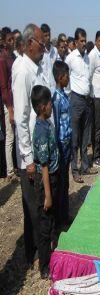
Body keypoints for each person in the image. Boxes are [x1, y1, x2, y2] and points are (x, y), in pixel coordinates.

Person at [12, 23, 46, 268]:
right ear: (30, 43)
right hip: (29, 154)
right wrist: (28, 157)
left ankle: (33, 247)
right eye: (41, 43)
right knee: (33, 205)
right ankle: (34, 251)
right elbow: (21, 118)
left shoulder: (35, 67)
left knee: (33, 202)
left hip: (38, 145)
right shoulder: (22, 70)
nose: (44, 47)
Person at [30, 85, 59, 279]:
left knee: (52, 220)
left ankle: (54, 254)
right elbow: (44, 165)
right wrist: (47, 194)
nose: (51, 107)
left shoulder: (47, 123)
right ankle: (44, 265)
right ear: (42, 107)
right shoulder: (40, 130)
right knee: (45, 225)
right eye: (49, 104)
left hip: (54, 178)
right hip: (45, 182)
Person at [66, 27, 97, 183]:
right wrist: (68, 96)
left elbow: (89, 79)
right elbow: (65, 78)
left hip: (87, 100)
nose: (84, 43)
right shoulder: (71, 58)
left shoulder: (87, 58)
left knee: (86, 135)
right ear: (76, 41)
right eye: (81, 41)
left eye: (85, 40)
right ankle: (75, 169)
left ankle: (85, 166)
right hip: (76, 100)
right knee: (75, 137)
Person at [52, 61, 72, 227]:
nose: (69, 78)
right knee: (61, 181)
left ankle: (64, 215)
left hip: (67, 142)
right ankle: (61, 219)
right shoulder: (56, 99)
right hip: (61, 144)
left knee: (65, 181)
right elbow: (57, 125)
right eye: (67, 76)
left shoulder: (64, 94)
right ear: (60, 77)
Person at [0, 27, 16, 181]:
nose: (12, 42)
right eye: (9, 40)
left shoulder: (13, 57)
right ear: (4, 42)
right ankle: (10, 170)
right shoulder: (3, 59)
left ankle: (15, 166)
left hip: (16, 100)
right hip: (9, 103)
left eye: (13, 39)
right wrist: (10, 109)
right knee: (10, 138)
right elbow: (4, 87)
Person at [88, 31, 100, 166]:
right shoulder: (92, 56)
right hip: (96, 96)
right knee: (97, 127)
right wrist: (90, 96)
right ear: (95, 41)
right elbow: (88, 76)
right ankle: (95, 157)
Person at [40, 24, 56, 93]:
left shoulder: (55, 50)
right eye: (46, 36)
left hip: (54, 87)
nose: (48, 37)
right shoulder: (40, 51)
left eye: (49, 35)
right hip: (44, 88)